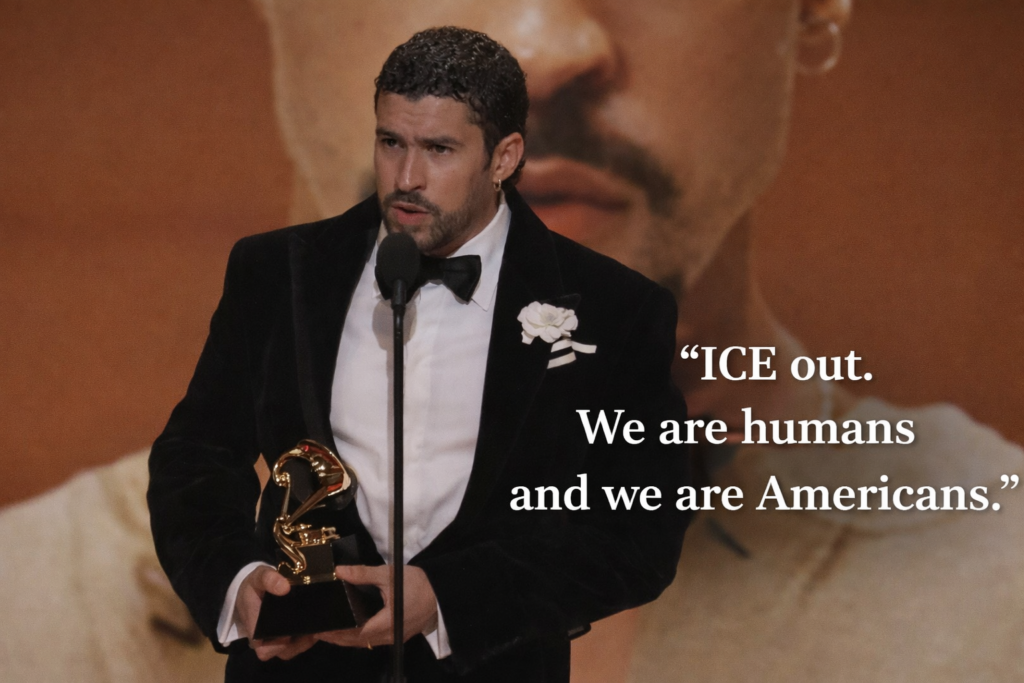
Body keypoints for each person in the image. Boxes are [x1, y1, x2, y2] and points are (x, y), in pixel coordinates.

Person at [147, 27, 690, 682]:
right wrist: (237, 583)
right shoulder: (274, 272)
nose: (406, 177)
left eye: (438, 148)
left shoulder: (616, 309)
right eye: (390, 142)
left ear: (504, 156)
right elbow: (194, 457)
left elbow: (639, 533)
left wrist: (448, 598)